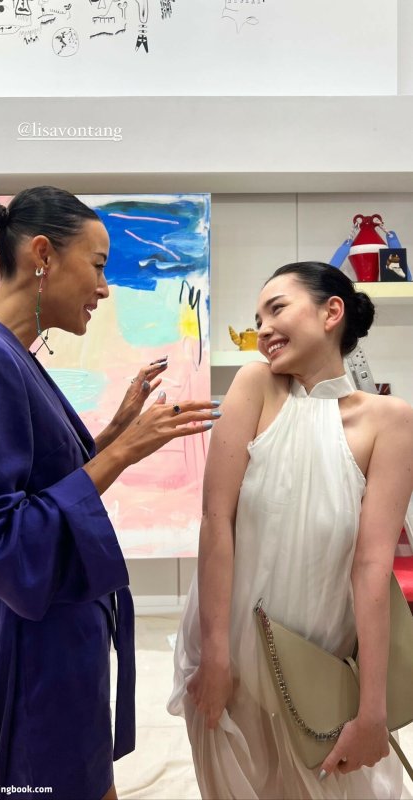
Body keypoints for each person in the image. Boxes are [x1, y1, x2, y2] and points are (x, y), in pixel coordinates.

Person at [0, 186, 219, 800]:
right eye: (99, 266)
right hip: (35, 644)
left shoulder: (8, 353)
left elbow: (45, 488)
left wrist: (116, 432)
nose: (105, 289)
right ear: (43, 255)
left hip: (57, 629)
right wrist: (123, 452)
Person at [168, 261, 413, 800]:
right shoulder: (256, 386)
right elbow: (216, 521)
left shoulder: (390, 421)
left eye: (276, 309)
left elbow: (372, 567)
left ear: (331, 312)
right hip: (229, 659)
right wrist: (214, 656)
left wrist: (373, 710)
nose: (263, 329)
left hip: (318, 666)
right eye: (257, 319)